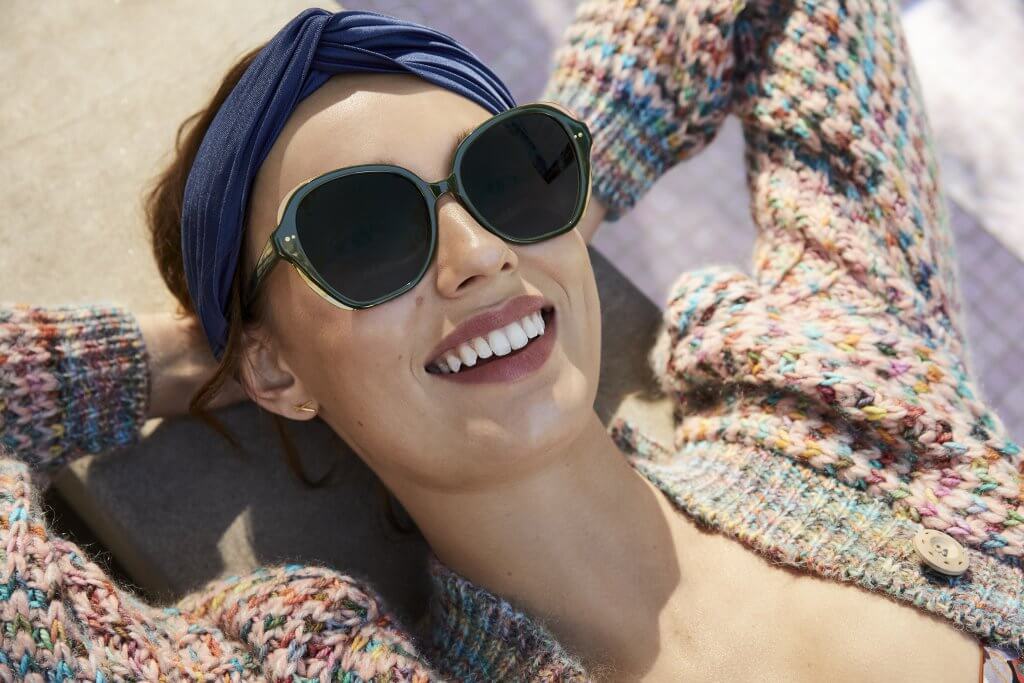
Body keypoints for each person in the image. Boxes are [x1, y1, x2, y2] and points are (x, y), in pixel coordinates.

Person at [1, 0, 1022, 680]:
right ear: (275, 365)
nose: (478, 254)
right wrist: (167, 361)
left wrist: (559, 187)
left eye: (499, 173)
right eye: (364, 233)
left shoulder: (841, 396)